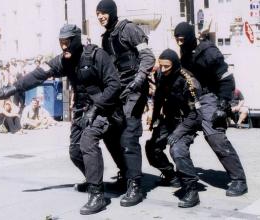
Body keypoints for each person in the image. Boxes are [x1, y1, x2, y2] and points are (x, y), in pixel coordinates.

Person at [0, 24, 123, 215]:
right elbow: (38, 75)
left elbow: (114, 85)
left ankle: (97, 194)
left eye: (67, 42)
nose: (64, 47)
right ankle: (93, 179)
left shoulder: (97, 55)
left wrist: (96, 108)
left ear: (76, 40)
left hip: (104, 108)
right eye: (61, 43)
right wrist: (11, 89)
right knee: (75, 151)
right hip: (82, 110)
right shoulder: (63, 61)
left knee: (88, 143)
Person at [174, 22, 247, 196]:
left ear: (190, 37)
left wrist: (223, 105)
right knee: (175, 138)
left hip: (211, 99)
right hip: (193, 102)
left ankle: (239, 180)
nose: (179, 43)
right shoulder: (185, 55)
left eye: (182, 39)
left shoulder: (207, 51)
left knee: (215, 138)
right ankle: (182, 176)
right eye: (176, 39)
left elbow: (227, 78)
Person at [96, 0, 156, 207]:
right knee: (110, 133)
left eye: (104, 12)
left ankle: (135, 186)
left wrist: (139, 79)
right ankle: (126, 174)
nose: (101, 16)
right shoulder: (105, 38)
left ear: (112, 13)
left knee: (129, 136)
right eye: (98, 13)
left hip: (134, 90)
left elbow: (148, 57)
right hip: (117, 92)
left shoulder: (129, 29)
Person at [147, 49, 202, 207]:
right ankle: (172, 177)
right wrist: (155, 119)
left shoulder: (189, 81)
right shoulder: (159, 75)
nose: (163, 70)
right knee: (152, 148)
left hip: (186, 121)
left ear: (175, 65)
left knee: (177, 150)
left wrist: (178, 133)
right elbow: (158, 98)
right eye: (161, 66)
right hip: (168, 119)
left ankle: (191, 190)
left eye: (167, 67)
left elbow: (196, 115)